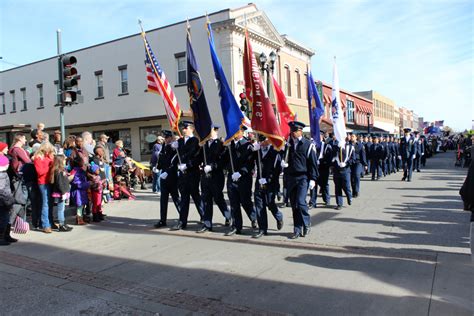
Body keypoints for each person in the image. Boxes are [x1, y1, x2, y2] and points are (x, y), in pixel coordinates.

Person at [281, 121, 318, 239]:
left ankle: (306, 223)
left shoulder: (307, 144)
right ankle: (297, 229)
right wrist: (283, 163)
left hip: (303, 177)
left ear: (300, 131)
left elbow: (313, 163)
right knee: (294, 205)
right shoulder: (288, 144)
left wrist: (313, 178)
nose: (292, 134)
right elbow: (283, 158)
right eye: (291, 132)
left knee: (301, 202)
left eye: (295, 132)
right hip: (291, 177)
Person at [223, 126, 258, 236]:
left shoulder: (247, 145)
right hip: (231, 177)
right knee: (234, 203)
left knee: (245, 201)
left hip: (244, 178)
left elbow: (250, 163)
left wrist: (241, 172)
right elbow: (224, 160)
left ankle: (253, 217)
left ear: (242, 132)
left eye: (237, 131)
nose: (234, 133)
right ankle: (236, 226)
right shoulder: (229, 145)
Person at [197, 125, 231, 233]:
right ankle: (207, 224)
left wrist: (212, 166)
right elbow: (199, 157)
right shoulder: (204, 144)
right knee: (206, 200)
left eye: (210, 130)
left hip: (216, 176)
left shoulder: (221, 144)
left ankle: (227, 215)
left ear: (215, 131)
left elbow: (223, 161)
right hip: (205, 177)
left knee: (218, 198)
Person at [171, 121, 204, 230]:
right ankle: (182, 222)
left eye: (185, 128)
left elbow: (198, 157)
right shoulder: (179, 141)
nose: (183, 130)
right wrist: (173, 148)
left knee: (196, 196)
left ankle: (204, 217)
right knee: (184, 198)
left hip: (192, 172)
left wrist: (188, 165)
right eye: (182, 128)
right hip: (182, 174)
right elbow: (177, 157)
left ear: (192, 129)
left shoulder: (196, 141)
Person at [251, 135, 283, 239]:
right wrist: (252, 150)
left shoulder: (275, 152)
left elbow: (277, 169)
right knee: (259, 205)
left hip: (270, 182)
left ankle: (279, 216)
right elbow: (249, 161)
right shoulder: (257, 151)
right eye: (260, 140)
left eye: (263, 140)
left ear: (268, 140)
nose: (261, 142)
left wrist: (269, 178)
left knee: (270, 203)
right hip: (259, 181)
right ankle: (262, 229)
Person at [154, 130, 180, 228]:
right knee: (163, 200)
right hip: (163, 176)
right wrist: (157, 167)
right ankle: (162, 220)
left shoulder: (174, 147)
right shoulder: (164, 147)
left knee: (176, 198)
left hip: (172, 176)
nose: (165, 139)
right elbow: (162, 159)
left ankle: (182, 218)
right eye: (164, 138)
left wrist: (167, 172)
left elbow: (174, 162)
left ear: (170, 138)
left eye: (166, 138)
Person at [33, 142, 55, 233]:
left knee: (50, 203)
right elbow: (39, 172)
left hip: (49, 181)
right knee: (45, 204)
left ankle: (50, 222)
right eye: (49, 150)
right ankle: (45, 224)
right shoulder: (38, 157)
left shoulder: (47, 157)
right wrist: (49, 167)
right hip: (42, 182)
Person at [309, 130, 332, 207]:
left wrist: (322, 162)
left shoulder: (326, 146)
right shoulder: (311, 146)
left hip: (323, 168)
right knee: (313, 185)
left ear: (322, 137)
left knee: (324, 185)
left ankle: (326, 199)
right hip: (314, 169)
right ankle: (312, 202)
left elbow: (329, 158)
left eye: (319, 137)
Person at [332, 136, 355, 210]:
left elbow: (353, 159)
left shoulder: (350, 147)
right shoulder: (335, 147)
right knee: (337, 187)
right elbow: (331, 157)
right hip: (336, 170)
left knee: (346, 186)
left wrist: (347, 163)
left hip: (345, 170)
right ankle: (339, 204)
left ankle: (349, 196)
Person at [51, 155, 73, 232]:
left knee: (62, 208)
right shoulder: (59, 171)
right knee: (61, 209)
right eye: (64, 160)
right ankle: (61, 224)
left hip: (63, 191)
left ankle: (63, 223)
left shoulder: (61, 170)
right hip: (61, 192)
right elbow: (59, 183)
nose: (65, 161)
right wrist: (63, 192)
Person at [0, 142, 16, 245]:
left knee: (7, 216)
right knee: (4, 217)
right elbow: (1, 189)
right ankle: (1, 238)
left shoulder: (3, 172)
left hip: (5, 197)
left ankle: (6, 235)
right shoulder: (1, 173)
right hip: (3, 198)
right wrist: (8, 199)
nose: (7, 150)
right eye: (5, 148)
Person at [70, 156, 90, 225]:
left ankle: (81, 217)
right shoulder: (76, 171)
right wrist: (87, 184)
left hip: (81, 191)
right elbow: (77, 183)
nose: (83, 163)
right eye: (82, 161)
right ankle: (79, 219)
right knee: (79, 205)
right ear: (79, 162)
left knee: (81, 205)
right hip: (78, 192)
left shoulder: (79, 170)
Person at [350, 133, 367, 198]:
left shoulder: (360, 145)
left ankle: (357, 190)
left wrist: (365, 164)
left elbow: (363, 155)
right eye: (351, 136)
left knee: (357, 175)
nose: (352, 137)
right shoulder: (348, 144)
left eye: (353, 136)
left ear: (356, 137)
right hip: (351, 163)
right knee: (351, 178)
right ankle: (354, 191)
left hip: (358, 162)